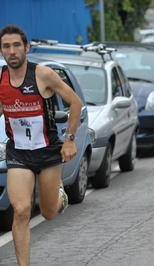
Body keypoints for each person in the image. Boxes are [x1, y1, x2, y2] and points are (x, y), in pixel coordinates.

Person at [0, 25, 82, 265]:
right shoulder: (1, 79)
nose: (12, 51)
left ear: (26, 47)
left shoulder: (43, 74)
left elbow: (75, 103)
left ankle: (59, 195)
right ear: (1, 51)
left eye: (17, 45)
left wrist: (69, 140)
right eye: (6, 46)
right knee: (22, 211)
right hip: (19, 154)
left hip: (47, 153)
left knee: (47, 213)